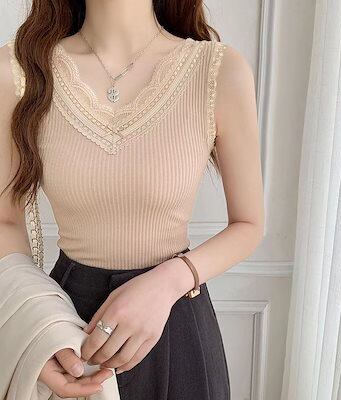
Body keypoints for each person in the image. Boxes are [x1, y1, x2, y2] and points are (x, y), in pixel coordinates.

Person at [0, 0, 265, 398]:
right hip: (68, 329)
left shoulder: (217, 70)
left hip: (180, 322)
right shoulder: (18, 71)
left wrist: (168, 283)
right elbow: (4, 221)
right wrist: (43, 330)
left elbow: (249, 224)